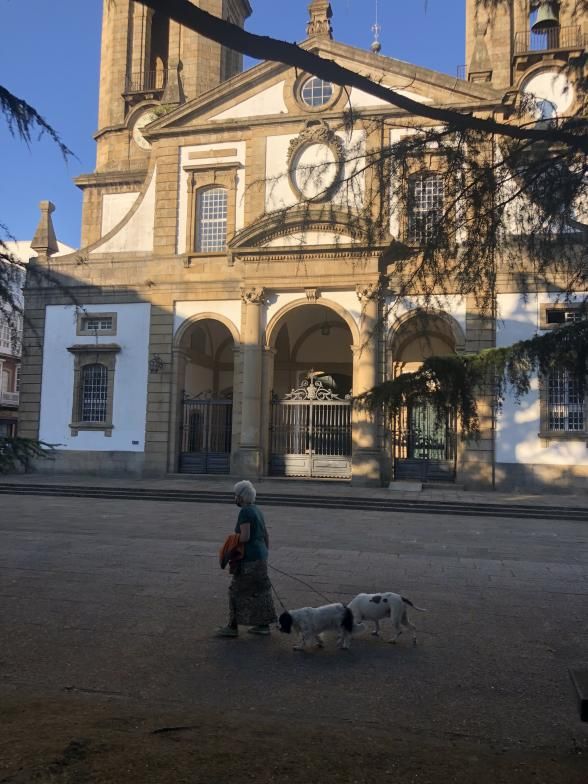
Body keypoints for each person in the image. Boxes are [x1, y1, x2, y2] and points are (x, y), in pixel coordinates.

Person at [215, 480, 277, 638]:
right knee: (260, 591)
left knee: (236, 590)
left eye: (236, 495)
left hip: (249, 557)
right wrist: (264, 554)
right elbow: (265, 534)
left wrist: (231, 542)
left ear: (241, 497)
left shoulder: (245, 512)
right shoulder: (257, 509)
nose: (235, 498)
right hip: (260, 554)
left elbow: (245, 536)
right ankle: (263, 626)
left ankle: (232, 626)